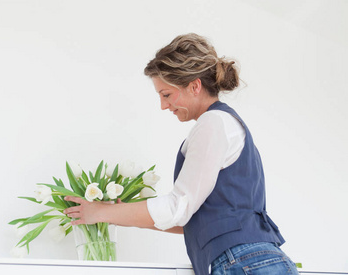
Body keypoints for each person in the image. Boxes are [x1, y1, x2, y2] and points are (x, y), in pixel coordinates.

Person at [64, 33, 299, 275]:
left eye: (166, 95)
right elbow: (194, 222)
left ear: (195, 86)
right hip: (253, 261)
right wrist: (117, 214)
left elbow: (178, 207)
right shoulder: (223, 124)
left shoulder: (213, 123)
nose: (163, 106)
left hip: (243, 262)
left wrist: (101, 212)